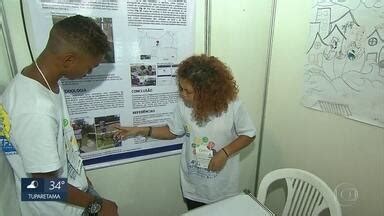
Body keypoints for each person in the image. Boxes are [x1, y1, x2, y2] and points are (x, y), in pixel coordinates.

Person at [0, 15, 118, 216]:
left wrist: (84, 183)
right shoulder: (35, 109)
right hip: (59, 210)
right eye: (90, 67)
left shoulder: (46, 82)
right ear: (69, 60)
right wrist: (96, 205)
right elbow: (40, 185)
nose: (89, 73)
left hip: (75, 194)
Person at [114, 54, 256, 210]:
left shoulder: (233, 106)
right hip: (193, 187)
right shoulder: (184, 106)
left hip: (223, 187)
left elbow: (249, 134)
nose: (183, 94)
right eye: (181, 89)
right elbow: (171, 131)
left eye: (188, 91)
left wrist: (224, 153)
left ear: (207, 92)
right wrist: (141, 130)